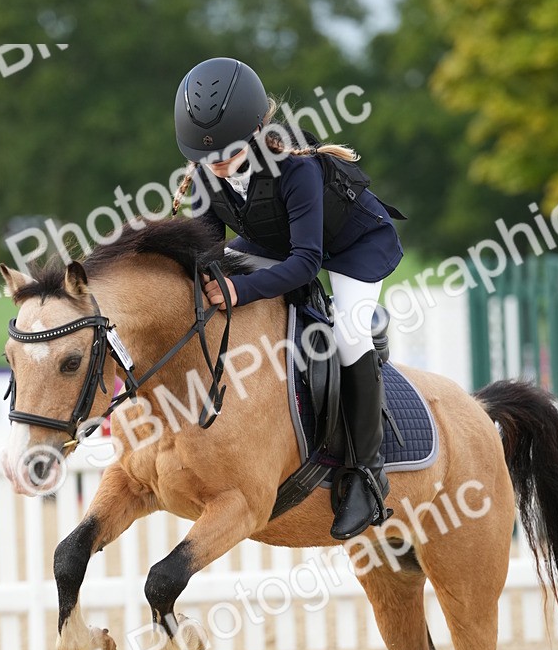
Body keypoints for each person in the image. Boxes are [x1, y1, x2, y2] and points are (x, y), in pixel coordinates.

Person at [172, 56, 404, 540]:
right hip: (275, 241)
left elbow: (305, 262)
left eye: (227, 151)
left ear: (257, 131)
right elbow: (206, 252)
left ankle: (367, 472)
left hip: (354, 247)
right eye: (205, 153)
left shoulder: (298, 172)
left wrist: (236, 289)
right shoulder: (209, 176)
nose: (214, 162)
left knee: (348, 334)